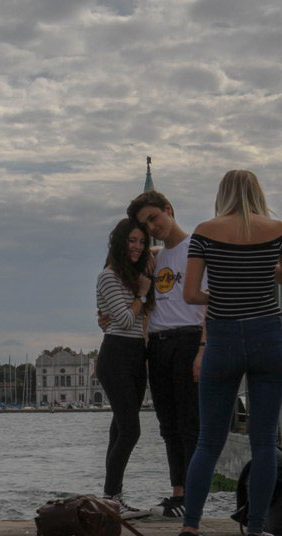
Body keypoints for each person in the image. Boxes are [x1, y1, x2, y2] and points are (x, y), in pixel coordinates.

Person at [176, 170, 282, 536]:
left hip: (223, 340)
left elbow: (191, 294)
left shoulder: (203, 231)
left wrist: (224, 288)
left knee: (208, 441)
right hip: (268, 337)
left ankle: (190, 530)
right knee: (263, 441)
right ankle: (257, 531)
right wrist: (265, 273)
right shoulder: (278, 228)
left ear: (222, 194)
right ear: (258, 193)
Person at [126, 190, 207, 518]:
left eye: (154, 218)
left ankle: (193, 492)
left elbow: (211, 301)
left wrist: (204, 347)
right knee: (167, 422)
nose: (153, 227)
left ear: (169, 210)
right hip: (158, 344)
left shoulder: (197, 250)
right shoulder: (154, 258)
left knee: (190, 420)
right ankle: (177, 493)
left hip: (189, 339)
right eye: (146, 224)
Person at [95, 218, 154, 519]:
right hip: (116, 353)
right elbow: (126, 320)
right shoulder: (109, 276)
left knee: (118, 429)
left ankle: (113, 498)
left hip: (135, 355)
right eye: (132, 240)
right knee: (130, 430)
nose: (138, 247)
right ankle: (110, 497)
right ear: (120, 242)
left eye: (142, 242)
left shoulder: (134, 275)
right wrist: (141, 294)